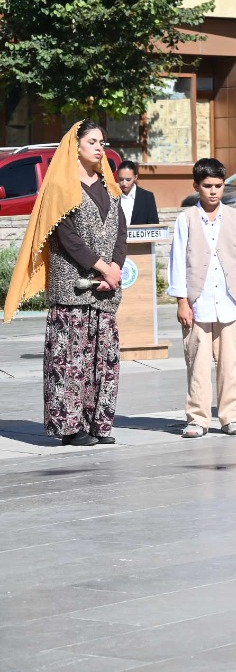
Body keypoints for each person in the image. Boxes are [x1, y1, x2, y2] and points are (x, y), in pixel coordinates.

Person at [3, 122, 127, 446]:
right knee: (70, 361)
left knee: (104, 360)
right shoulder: (60, 187)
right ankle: (70, 428)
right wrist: (103, 268)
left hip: (105, 291)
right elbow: (68, 239)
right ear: (76, 145)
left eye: (102, 142)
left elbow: (121, 233)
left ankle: (98, 424)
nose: (99, 148)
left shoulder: (110, 187)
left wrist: (115, 269)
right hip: (72, 289)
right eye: (92, 141)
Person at [169, 157, 236, 439]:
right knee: (197, 363)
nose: (213, 191)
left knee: (230, 364)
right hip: (198, 303)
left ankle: (232, 417)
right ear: (196, 186)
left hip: (230, 302)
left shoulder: (235, 218)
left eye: (218, 186)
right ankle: (197, 418)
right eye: (207, 186)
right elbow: (177, 262)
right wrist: (182, 301)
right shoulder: (185, 219)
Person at [115, 160, 159, 226]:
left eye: (128, 180)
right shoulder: (111, 196)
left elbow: (154, 225)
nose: (124, 183)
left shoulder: (147, 197)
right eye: (121, 179)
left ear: (135, 177)